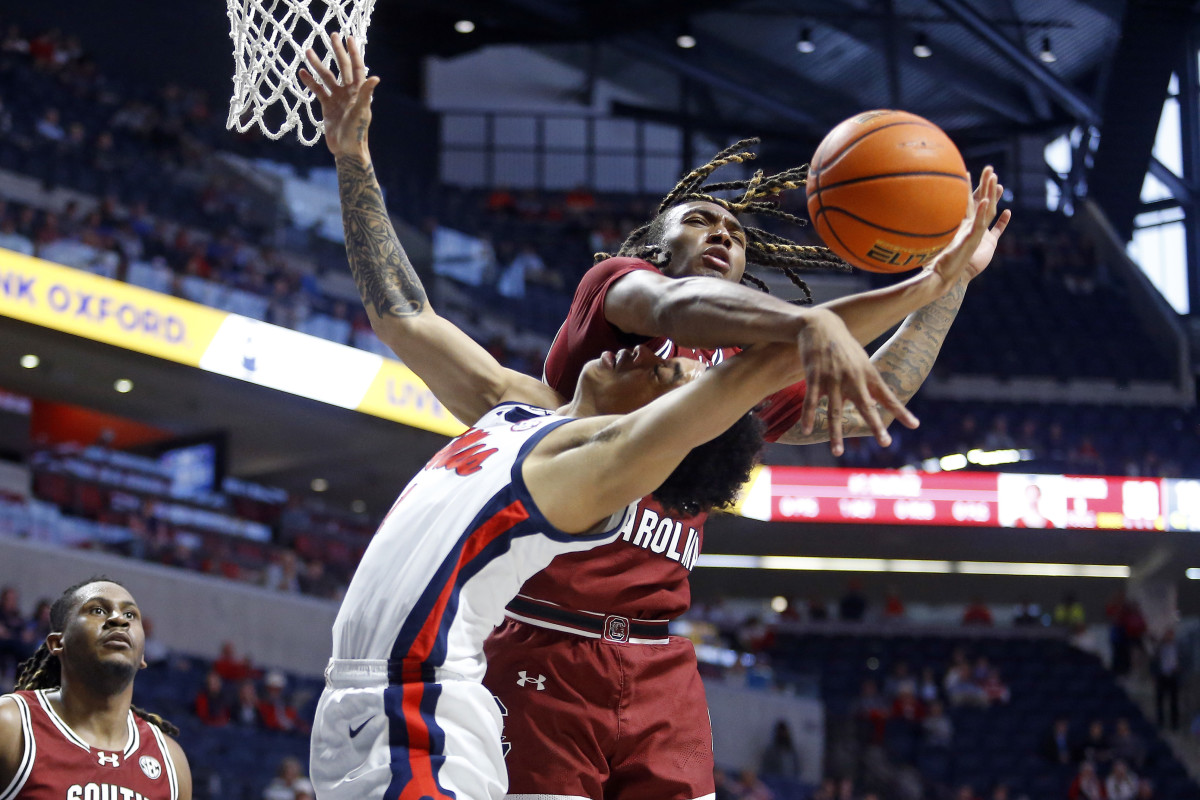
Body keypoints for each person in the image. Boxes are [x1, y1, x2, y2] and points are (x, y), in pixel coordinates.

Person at [302, 33, 1005, 800]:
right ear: (651, 243)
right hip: (544, 643)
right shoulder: (620, 300)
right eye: (702, 221)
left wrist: (950, 281)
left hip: (659, 662)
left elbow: (873, 389)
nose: (724, 235)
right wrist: (353, 159)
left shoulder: (733, 382)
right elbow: (672, 306)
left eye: (735, 235)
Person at [0, 577, 192, 799]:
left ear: (142, 655)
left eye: (130, 615)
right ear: (57, 643)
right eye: (98, 610)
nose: (119, 620)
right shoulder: (11, 725)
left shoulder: (172, 764)